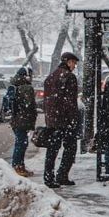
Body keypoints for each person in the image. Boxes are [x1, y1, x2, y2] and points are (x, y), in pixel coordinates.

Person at [42, 52, 80, 188]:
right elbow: (70, 102)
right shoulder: (69, 77)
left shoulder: (51, 77)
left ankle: (48, 177)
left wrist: (50, 117)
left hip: (52, 120)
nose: (74, 66)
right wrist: (73, 119)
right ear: (68, 62)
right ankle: (62, 175)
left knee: (52, 149)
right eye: (74, 63)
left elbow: (46, 101)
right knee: (70, 148)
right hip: (66, 120)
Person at [8, 68, 38, 177]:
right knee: (21, 144)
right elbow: (29, 104)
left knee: (21, 143)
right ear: (26, 76)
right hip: (22, 120)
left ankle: (20, 166)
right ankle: (17, 166)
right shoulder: (26, 87)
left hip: (16, 119)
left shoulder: (14, 85)